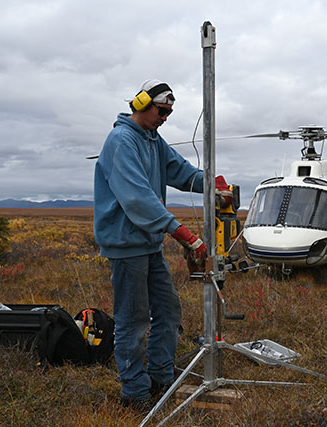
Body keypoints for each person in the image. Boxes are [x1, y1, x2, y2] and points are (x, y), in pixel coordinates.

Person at [93, 79, 222, 409]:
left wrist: (212, 183)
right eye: (161, 110)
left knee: (167, 311)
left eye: (169, 112)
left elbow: (179, 171)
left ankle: (162, 377)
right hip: (126, 245)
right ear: (140, 104)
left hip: (148, 244)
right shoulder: (122, 141)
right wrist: (183, 234)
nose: (165, 117)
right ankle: (135, 392)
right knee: (132, 321)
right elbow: (138, 198)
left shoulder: (152, 139)